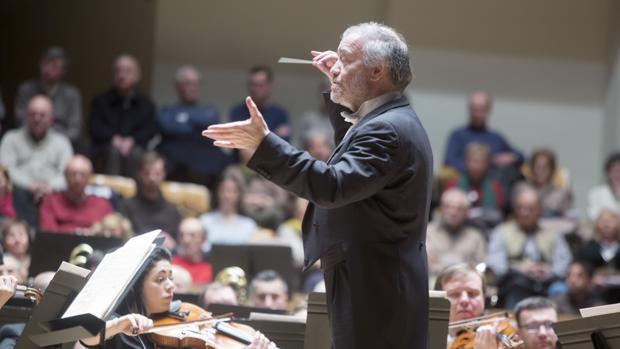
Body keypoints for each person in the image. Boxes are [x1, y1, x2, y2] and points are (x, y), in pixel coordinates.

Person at [204, 22, 433, 349]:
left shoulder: (388, 131)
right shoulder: (388, 120)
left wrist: (265, 144)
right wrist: (338, 86)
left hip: (376, 287)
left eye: (344, 60)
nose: (334, 67)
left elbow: (333, 185)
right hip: (375, 278)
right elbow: (353, 153)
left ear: (376, 71)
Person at [79, 247, 277, 348]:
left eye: (171, 277)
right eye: (160, 279)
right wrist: (120, 324)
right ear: (137, 287)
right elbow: (87, 336)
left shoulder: (178, 327)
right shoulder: (118, 327)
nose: (171, 285)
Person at [486, 185, 572, 309]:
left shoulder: (553, 234)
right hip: (515, 283)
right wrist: (520, 269)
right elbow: (495, 265)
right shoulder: (501, 232)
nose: (525, 213)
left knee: (560, 289)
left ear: (540, 210)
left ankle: (558, 326)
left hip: (548, 283)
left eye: (530, 209)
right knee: (515, 288)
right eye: (520, 208)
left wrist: (548, 270)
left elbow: (564, 262)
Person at [0, 95, 73, 226]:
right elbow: (5, 170)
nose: (37, 119)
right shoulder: (10, 139)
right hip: (19, 195)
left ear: (51, 118)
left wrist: (49, 187)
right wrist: (30, 185)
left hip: (52, 195)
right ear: (26, 116)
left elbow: (67, 174)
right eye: (33, 114)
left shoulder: (62, 142)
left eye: (42, 115)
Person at [157, 65, 230, 187]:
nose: (193, 88)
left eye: (195, 84)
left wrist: (184, 120)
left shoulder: (209, 110)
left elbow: (210, 123)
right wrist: (195, 125)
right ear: (178, 87)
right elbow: (167, 127)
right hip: (174, 166)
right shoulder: (167, 110)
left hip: (204, 169)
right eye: (188, 83)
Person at [89, 54, 158, 177]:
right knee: (113, 152)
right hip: (106, 147)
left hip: (136, 148)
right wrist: (113, 139)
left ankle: (134, 194)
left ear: (137, 76)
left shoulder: (147, 104)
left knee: (137, 154)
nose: (121, 76)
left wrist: (132, 141)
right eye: (118, 71)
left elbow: (150, 130)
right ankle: (111, 192)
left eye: (127, 71)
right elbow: (95, 127)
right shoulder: (100, 101)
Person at [14, 46, 83, 146]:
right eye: (46, 64)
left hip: (62, 143)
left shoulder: (72, 94)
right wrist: (37, 134)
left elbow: (75, 128)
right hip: (29, 141)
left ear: (63, 71)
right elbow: (20, 120)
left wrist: (55, 141)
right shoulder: (26, 89)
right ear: (40, 65)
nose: (49, 69)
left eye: (54, 66)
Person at [444, 91, 524, 174]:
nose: (477, 113)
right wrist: (475, 167)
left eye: (481, 109)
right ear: (469, 110)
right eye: (474, 109)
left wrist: (511, 157)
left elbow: (521, 156)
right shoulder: (457, 135)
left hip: (496, 182)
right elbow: (449, 160)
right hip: (466, 181)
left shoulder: (496, 137)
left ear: (488, 110)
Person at [39, 155, 113, 233]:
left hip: (95, 244)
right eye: (73, 174)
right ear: (65, 176)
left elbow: (110, 232)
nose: (77, 179)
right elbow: (48, 235)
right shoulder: (50, 202)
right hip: (61, 244)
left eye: (82, 174)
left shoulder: (103, 204)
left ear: (89, 177)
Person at [434, 264, 500, 349]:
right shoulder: (424, 342)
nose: (464, 300)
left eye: (472, 294)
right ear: (439, 302)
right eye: (455, 294)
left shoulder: (501, 338)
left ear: (484, 299)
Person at [426, 189, 486, 281]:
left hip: (466, 282)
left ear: (467, 212)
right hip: (433, 281)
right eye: (448, 207)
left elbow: (479, 266)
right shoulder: (428, 232)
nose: (453, 212)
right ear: (441, 209)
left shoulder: (475, 237)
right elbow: (426, 263)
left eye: (459, 208)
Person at [121, 152, 181, 236]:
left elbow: (176, 243)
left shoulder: (172, 211)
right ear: (139, 174)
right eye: (147, 173)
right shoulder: (126, 206)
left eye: (157, 173)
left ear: (164, 174)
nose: (152, 178)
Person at [230, 66, 291, 141]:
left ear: (269, 85)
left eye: (260, 85)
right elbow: (242, 145)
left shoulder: (280, 113)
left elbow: (282, 144)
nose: (256, 89)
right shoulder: (238, 111)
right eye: (253, 85)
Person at [199, 174, 256, 252]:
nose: (227, 195)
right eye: (223, 190)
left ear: (239, 195)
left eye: (232, 191)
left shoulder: (249, 224)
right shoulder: (204, 221)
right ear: (217, 193)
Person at [171, 217, 212, 285]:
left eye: (192, 235)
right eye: (182, 235)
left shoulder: (211, 268)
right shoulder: (170, 265)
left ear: (203, 239)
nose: (186, 240)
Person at [588, 152, 620, 221]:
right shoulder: (596, 193)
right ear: (608, 173)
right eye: (614, 171)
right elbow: (592, 214)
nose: (617, 175)